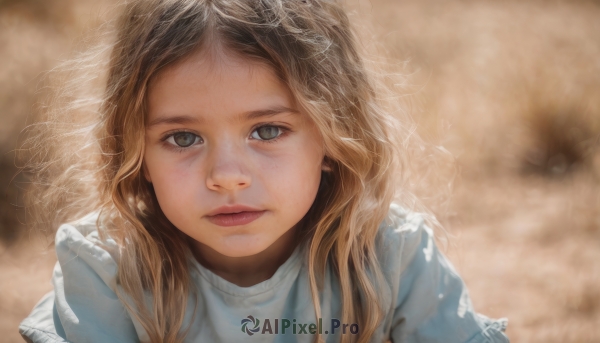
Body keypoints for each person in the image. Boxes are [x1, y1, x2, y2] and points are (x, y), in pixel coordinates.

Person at [18, 0, 509, 342]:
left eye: (268, 131)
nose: (227, 176)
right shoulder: (106, 270)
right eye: (182, 138)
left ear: (334, 134)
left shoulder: (390, 258)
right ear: (135, 152)